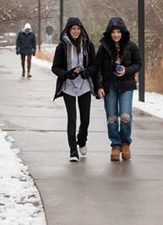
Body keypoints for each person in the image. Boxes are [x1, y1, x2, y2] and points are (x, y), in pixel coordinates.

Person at [95, 17, 142, 161]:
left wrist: (126, 70)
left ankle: (125, 142)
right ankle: (115, 145)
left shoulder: (131, 46)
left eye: (118, 32)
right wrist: (99, 86)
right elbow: (97, 68)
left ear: (123, 32)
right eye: (113, 32)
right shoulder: (104, 47)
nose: (116, 35)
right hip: (110, 84)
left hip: (126, 83)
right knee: (112, 117)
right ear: (109, 33)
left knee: (125, 116)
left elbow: (138, 64)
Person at [51, 17, 97, 162]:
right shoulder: (62, 46)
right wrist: (67, 74)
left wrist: (87, 72)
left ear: (81, 30)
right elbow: (55, 67)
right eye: (73, 29)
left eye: (78, 29)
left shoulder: (88, 45)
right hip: (68, 87)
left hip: (84, 86)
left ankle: (82, 140)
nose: (76, 31)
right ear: (68, 30)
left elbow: (94, 65)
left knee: (85, 119)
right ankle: (73, 151)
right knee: (72, 119)